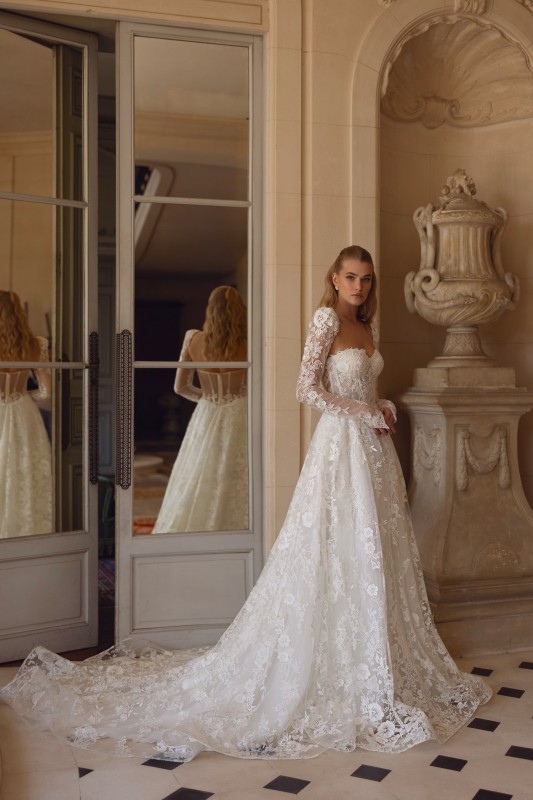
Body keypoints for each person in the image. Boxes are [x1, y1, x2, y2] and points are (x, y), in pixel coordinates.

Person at [0, 247, 491, 760]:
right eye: (351, 278)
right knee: (330, 545)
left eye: (366, 279)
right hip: (340, 449)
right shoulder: (325, 319)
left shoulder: (368, 327)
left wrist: (382, 407)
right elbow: (307, 388)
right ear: (335, 278)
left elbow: (368, 387)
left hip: (373, 452)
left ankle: (373, 662)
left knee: (370, 549)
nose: (360, 287)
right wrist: (361, 412)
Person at [152, 285, 248, 533]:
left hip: (207, 414)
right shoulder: (250, 341)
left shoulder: (193, 339)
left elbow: (181, 387)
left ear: (210, 310)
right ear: (240, 310)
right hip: (240, 413)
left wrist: (206, 399)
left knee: (201, 471)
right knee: (236, 472)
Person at [0, 290, 52, 537]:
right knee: (24, 470)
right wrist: (25, 399)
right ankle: (24, 532)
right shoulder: (36, 344)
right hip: (24, 413)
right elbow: (47, 391)